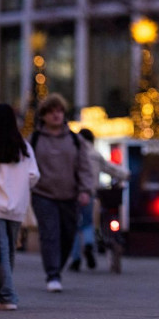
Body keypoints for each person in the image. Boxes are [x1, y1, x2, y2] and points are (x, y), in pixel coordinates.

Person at [30, 93, 95, 293]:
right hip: (43, 194)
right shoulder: (34, 139)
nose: (56, 115)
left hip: (70, 195)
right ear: (43, 116)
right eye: (51, 112)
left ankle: (57, 267)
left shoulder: (75, 140)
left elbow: (84, 167)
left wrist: (85, 190)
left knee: (67, 235)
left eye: (59, 111)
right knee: (50, 233)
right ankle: (52, 274)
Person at [0, 103, 40, 310]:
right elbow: (34, 175)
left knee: (1, 249)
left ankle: (7, 295)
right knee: (9, 251)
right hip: (19, 206)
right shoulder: (24, 147)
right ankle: (2, 294)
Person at [68, 128, 129, 272]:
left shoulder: (73, 153)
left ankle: (76, 259)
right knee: (88, 222)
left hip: (73, 193)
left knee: (75, 225)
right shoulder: (95, 154)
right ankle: (89, 243)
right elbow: (111, 169)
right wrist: (126, 175)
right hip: (90, 193)